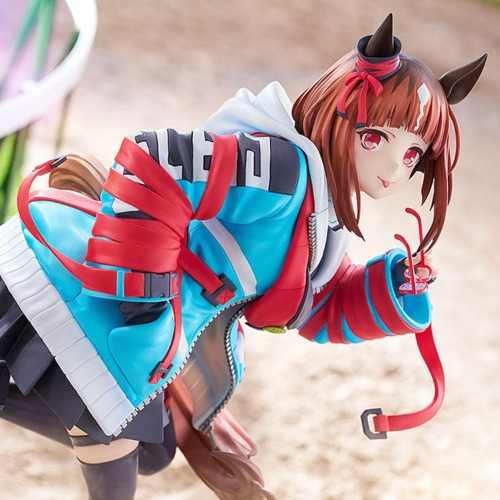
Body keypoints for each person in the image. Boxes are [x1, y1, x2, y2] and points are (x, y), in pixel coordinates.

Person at [0, 14, 486, 500]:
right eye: (375, 138)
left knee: (155, 448)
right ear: (338, 111)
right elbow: (155, 161)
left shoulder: (321, 213)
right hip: (105, 295)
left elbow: (316, 305)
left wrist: (394, 287)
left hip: (154, 329)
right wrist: (144, 304)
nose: (394, 167)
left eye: (412, 155)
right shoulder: (281, 170)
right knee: (119, 431)